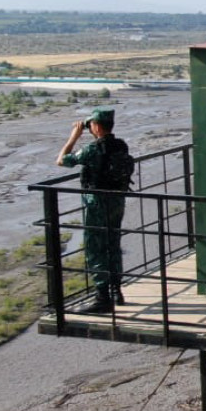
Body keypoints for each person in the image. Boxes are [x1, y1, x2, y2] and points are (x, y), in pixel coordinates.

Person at [57, 107, 130, 313]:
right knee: (113, 244)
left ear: (96, 126)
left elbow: (62, 160)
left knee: (96, 248)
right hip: (117, 202)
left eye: (91, 126)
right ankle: (117, 291)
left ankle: (102, 297)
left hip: (97, 203)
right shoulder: (121, 146)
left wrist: (73, 137)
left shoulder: (91, 150)